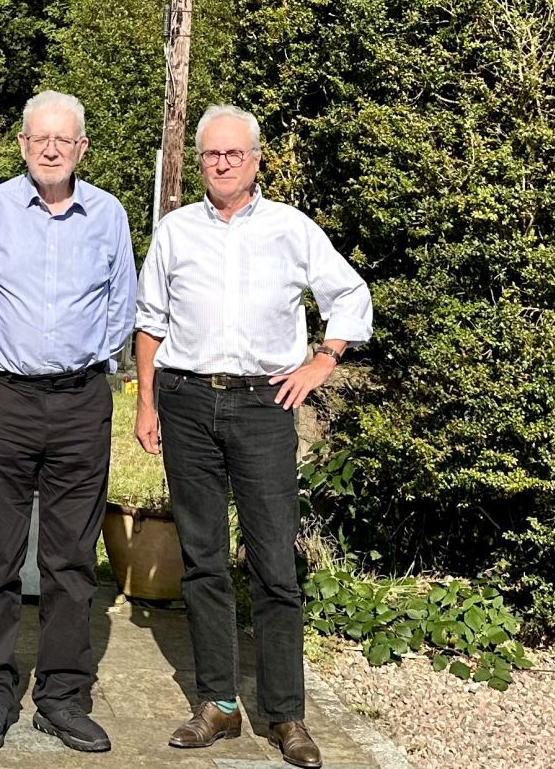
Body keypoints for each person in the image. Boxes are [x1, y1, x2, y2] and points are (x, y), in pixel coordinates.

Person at [134, 104, 373, 769]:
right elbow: (150, 321)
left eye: (233, 154)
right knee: (205, 557)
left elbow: (350, 294)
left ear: (257, 160)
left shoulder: (292, 230)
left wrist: (323, 360)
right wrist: (146, 403)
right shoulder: (176, 231)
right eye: (211, 154)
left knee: (272, 562)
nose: (220, 164)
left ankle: (286, 713)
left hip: (264, 405)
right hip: (185, 402)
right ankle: (217, 702)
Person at [0, 90, 136, 753]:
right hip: (3, 400)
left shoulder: (108, 214)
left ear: (82, 147)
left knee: (70, 561)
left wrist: (89, 367)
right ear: (23, 144)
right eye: (40, 138)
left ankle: (61, 694)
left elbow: (123, 303)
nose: (52, 148)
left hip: (81, 401)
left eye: (65, 139)